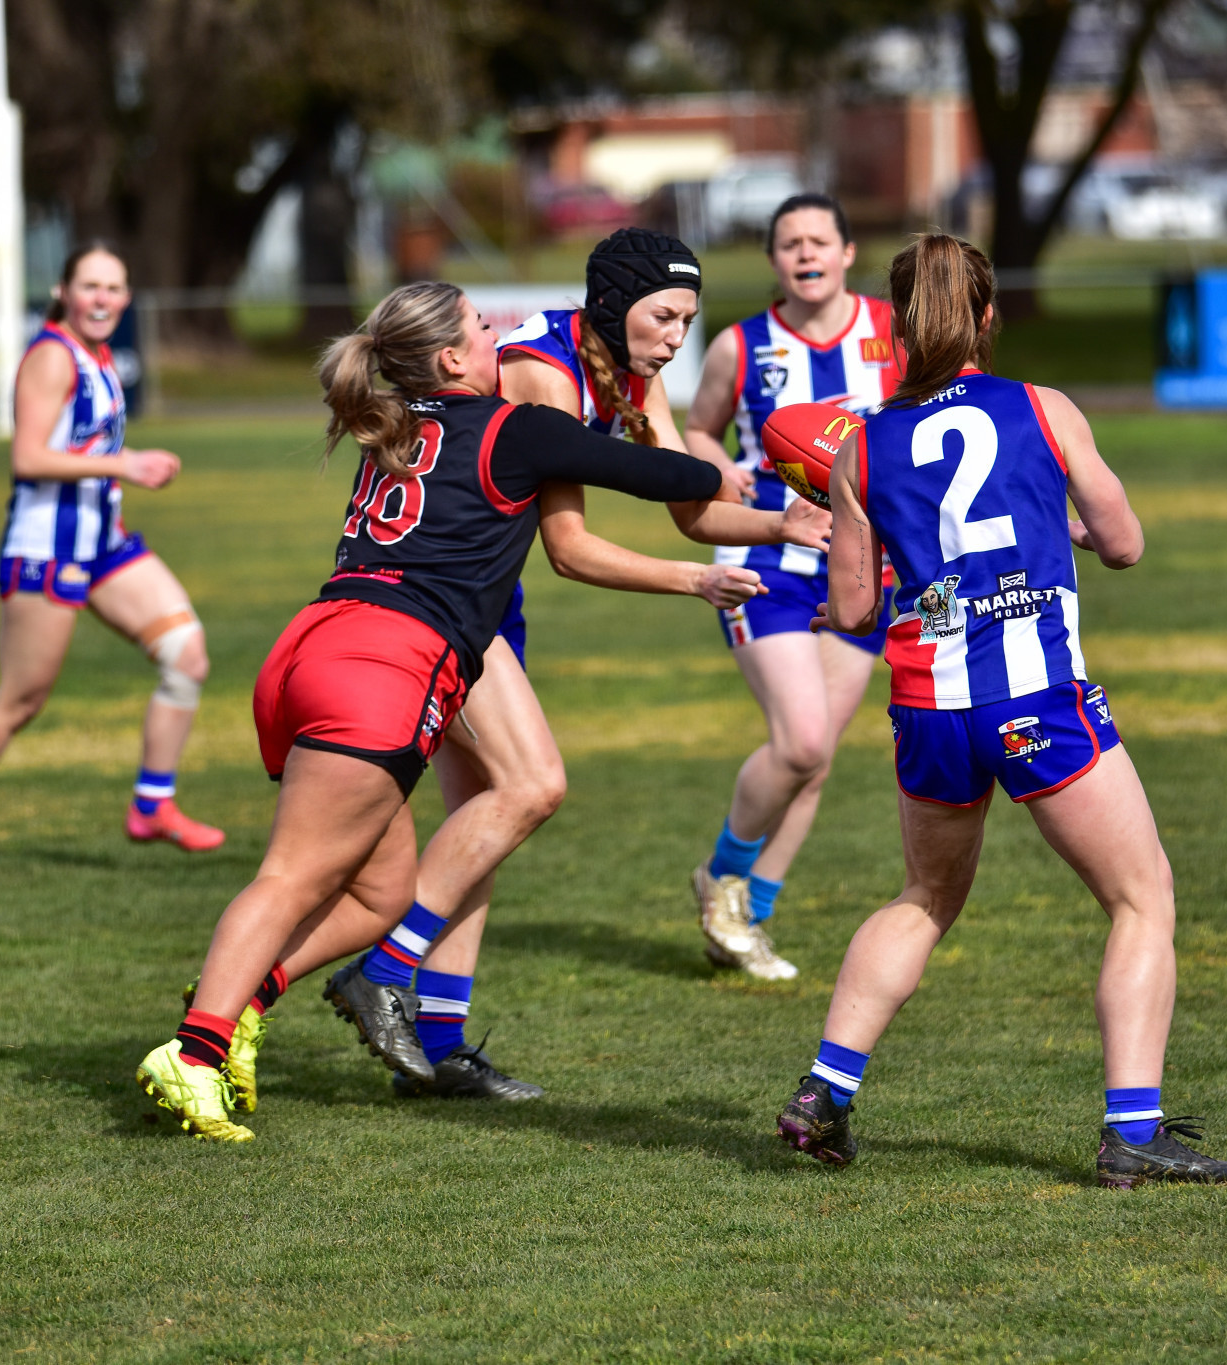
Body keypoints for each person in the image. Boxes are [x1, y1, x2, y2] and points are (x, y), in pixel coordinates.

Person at [137, 280, 726, 1141]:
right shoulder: (513, 428)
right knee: (292, 875)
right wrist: (744, 466)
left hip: (318, 647)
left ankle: (244, 1004)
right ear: (452, 358)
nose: (503, 340)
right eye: (484, 330)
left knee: (380, 896)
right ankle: (192, 1052)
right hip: (384, 665)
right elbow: (665, 474)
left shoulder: (399, 427)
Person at [297, 229, 829, 1102]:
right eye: (663, 316)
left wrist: (783, 522)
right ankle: (379, 968)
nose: (673, 338)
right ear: (616, 305)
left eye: (687, 321)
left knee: (483, 825)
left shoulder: (631, 367)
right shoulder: (544, 372)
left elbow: (687, 503)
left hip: (482, 609)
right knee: (533, 788)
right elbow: (572, 549)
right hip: (452, 610)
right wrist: (696, 580)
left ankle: (439, 1047)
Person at [771, 233, 1227, 1187]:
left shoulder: (861, 445)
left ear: (897, 326)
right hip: (1035, 695)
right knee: (1141, 897)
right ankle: (1133, 1133)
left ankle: (824, 1095)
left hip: (930, 708)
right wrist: (1058, 522)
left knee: (926, 899)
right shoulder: (1044, 407)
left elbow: (857, 610)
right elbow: (1125, 544)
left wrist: (846, 525)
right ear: (988, 316)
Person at [0, 243, 223, 877]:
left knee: (186, 653)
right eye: (91, 287)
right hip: (46, 549)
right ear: (64, 292)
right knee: (22, 700)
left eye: (114, 287)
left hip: (102, 542)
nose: (103, 299)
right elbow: (28, 458)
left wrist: (114, 486)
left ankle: (152, 806)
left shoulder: (97, 355)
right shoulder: (53, 355)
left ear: (127, 297)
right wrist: (125, 465)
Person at [682, 194, 900, 981]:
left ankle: (747, 916)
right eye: (788, 243)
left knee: (817, 758)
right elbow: (701, 423)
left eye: (819, 239)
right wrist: (721, 465)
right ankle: (720, 876)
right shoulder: (741, 346)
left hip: (866, 568)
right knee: (802, 738)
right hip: (769, 563)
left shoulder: (891, 335)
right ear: (774, 260)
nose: (805, 253)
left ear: (846, 251)